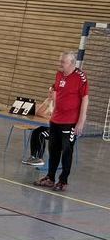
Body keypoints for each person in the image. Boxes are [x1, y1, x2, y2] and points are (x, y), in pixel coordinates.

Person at [34, 52, 89, 192]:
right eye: (60, 61)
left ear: (72, 63)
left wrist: (81, 121)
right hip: (56, 120)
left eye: (63, 62)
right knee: (53, 150)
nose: (60, 64)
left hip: (70, 122)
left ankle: (63, 181)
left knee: (66, 151)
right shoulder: (59, 74)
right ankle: (50, 178)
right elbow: (57, 93)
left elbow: (85, 99)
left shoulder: (80, 77)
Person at [22, 88, 54, 166]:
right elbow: (38, 112)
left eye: (51, 92)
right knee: (35, 132)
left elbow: (56, 118)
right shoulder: (48, 100)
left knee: (41, 135)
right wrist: (48, 116)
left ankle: (40, 159)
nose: (49, 94)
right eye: (49, 92)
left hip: (57, 129)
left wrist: (48, 116)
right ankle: (33, 156)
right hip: (48, 125)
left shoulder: (60, 102)